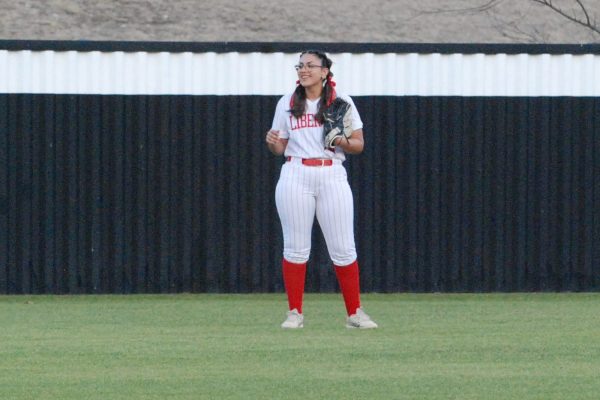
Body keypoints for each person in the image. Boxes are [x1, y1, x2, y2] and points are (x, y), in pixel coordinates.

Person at [265, 50, 378, 329]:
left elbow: (359, 144)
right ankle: (294, 312)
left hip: (331, 172)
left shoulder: (341, 102)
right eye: (300, 66)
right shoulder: (288, 102)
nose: (304, 70)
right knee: (296, 247)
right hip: (296, 171)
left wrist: (340, 140)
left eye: (310, 66)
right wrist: (272, 142)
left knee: (343, 247)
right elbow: (279, 147)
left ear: (325, 71)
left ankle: (355, 313)